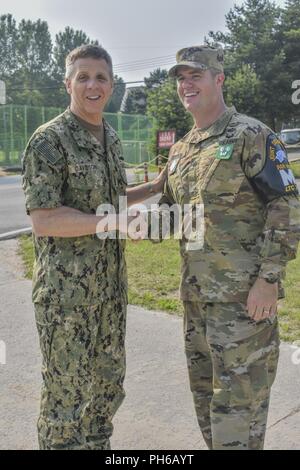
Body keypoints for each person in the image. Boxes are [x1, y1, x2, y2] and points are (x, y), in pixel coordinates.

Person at [153, 44, 300, 450]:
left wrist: (268, 280)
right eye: (181, 78)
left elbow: (285, 206)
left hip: (243, 304)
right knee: (205, 402)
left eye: (195, 75)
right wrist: (109, 220)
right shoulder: (182, 150)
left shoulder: (252, 135)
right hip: (196, 300)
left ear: (219, 79)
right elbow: (168, 213)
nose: (186, 85)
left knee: (239, 410)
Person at [22, 44, 165, 450]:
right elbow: (44, 219)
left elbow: (113, 197)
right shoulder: (49, 140)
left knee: (104, 395)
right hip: (66, 301)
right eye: (83, 76)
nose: (92, 85)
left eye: (101, 77)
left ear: (111, 84)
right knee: (65, 402)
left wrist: (152, 188)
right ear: (68, 83)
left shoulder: (111, 137)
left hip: (109, 297)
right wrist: (113, 223)